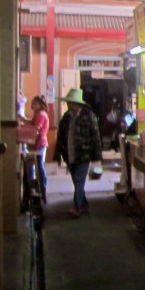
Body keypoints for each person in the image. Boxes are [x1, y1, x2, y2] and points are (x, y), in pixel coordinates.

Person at [53, 88, 103, 217]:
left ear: (78, 103)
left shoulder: (89, 116)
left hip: (83, 154)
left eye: (71, 102)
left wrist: (97, 156)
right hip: (69, 154)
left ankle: (77, 207)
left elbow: (95, 136)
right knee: (77, 181)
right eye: (68, 102)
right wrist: (57, 154)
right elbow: (60, 136)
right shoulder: (66, 117)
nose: (69, 105)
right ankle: (84, 205)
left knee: (79, 180)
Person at [19, 95, 50, 200]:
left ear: (41, 105)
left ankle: (42, 186)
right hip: (36, 143)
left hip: (40, 143)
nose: (32, 105)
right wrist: (23, 120)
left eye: (35, 104)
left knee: (39, 166)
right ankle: (33, 187)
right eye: (32, 103)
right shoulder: (37, 114)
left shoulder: (41, 114)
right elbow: (32, 124)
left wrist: (24, 131)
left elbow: (36, 128)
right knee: (32, 166)